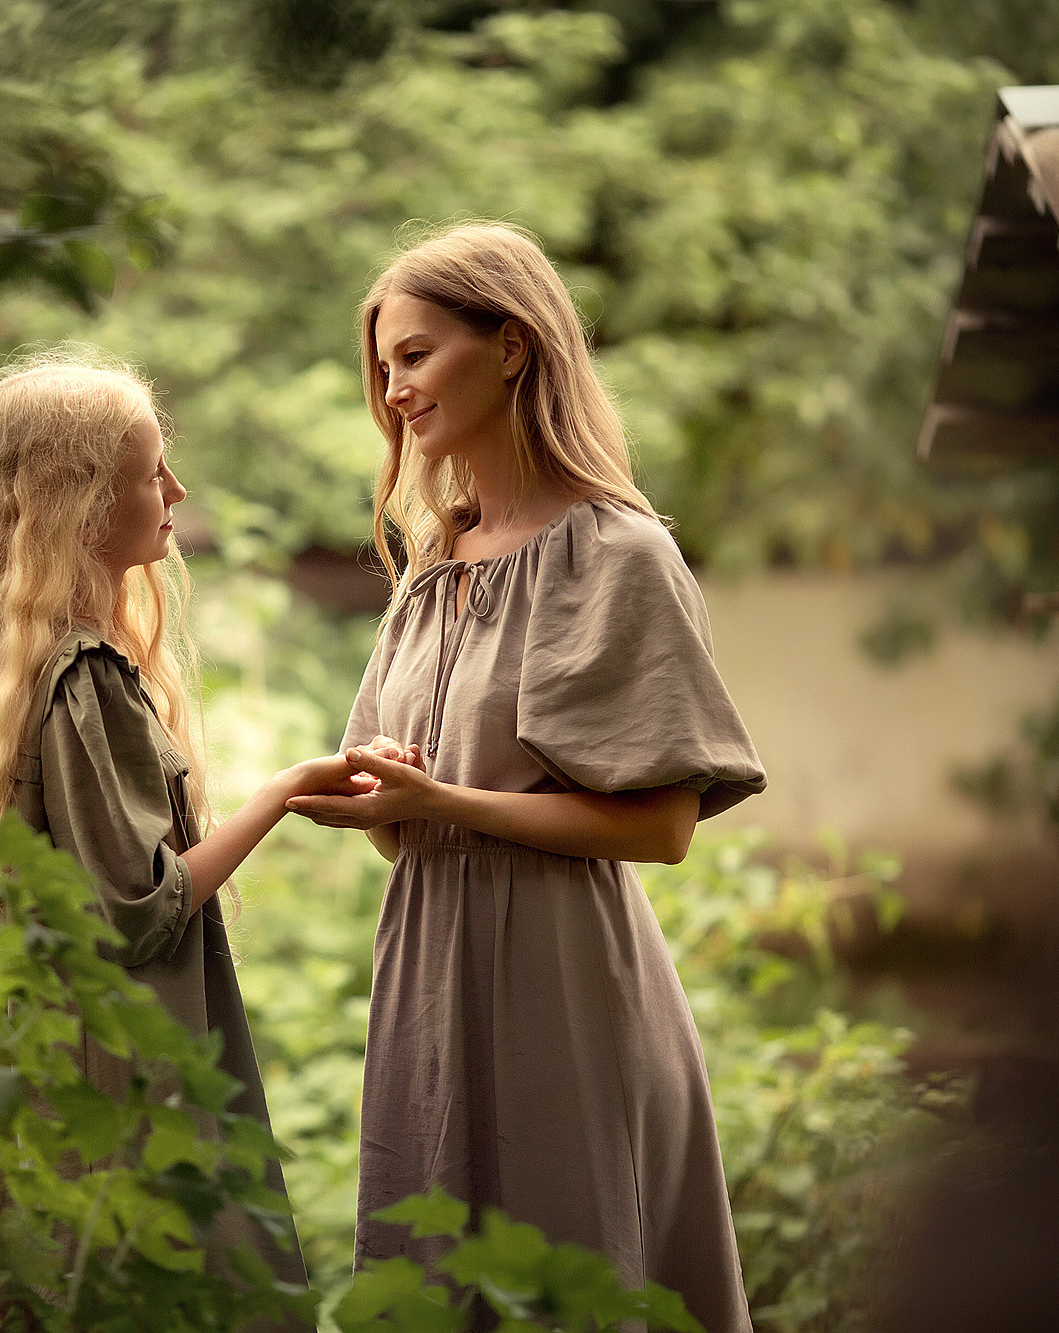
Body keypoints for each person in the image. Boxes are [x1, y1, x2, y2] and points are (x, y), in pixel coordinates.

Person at [286, 224, 767, 1333]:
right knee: (433, 1277)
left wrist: (439, 800)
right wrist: (371, 796)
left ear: (509, 346)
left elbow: (658, 826)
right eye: (382, 368)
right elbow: (399, 824)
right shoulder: (430, 568)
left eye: (414, 355)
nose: (394, 391)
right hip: (427, 977)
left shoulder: (617, 555)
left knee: (567, 1275)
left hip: (562, 987)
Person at [0, 350, 365, 1307]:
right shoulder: (84, 676)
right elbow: (138, 912)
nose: (177, 488)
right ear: (81, 498)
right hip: (124, 1082)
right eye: (150, 470)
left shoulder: (25, 673)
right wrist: (284, 791)